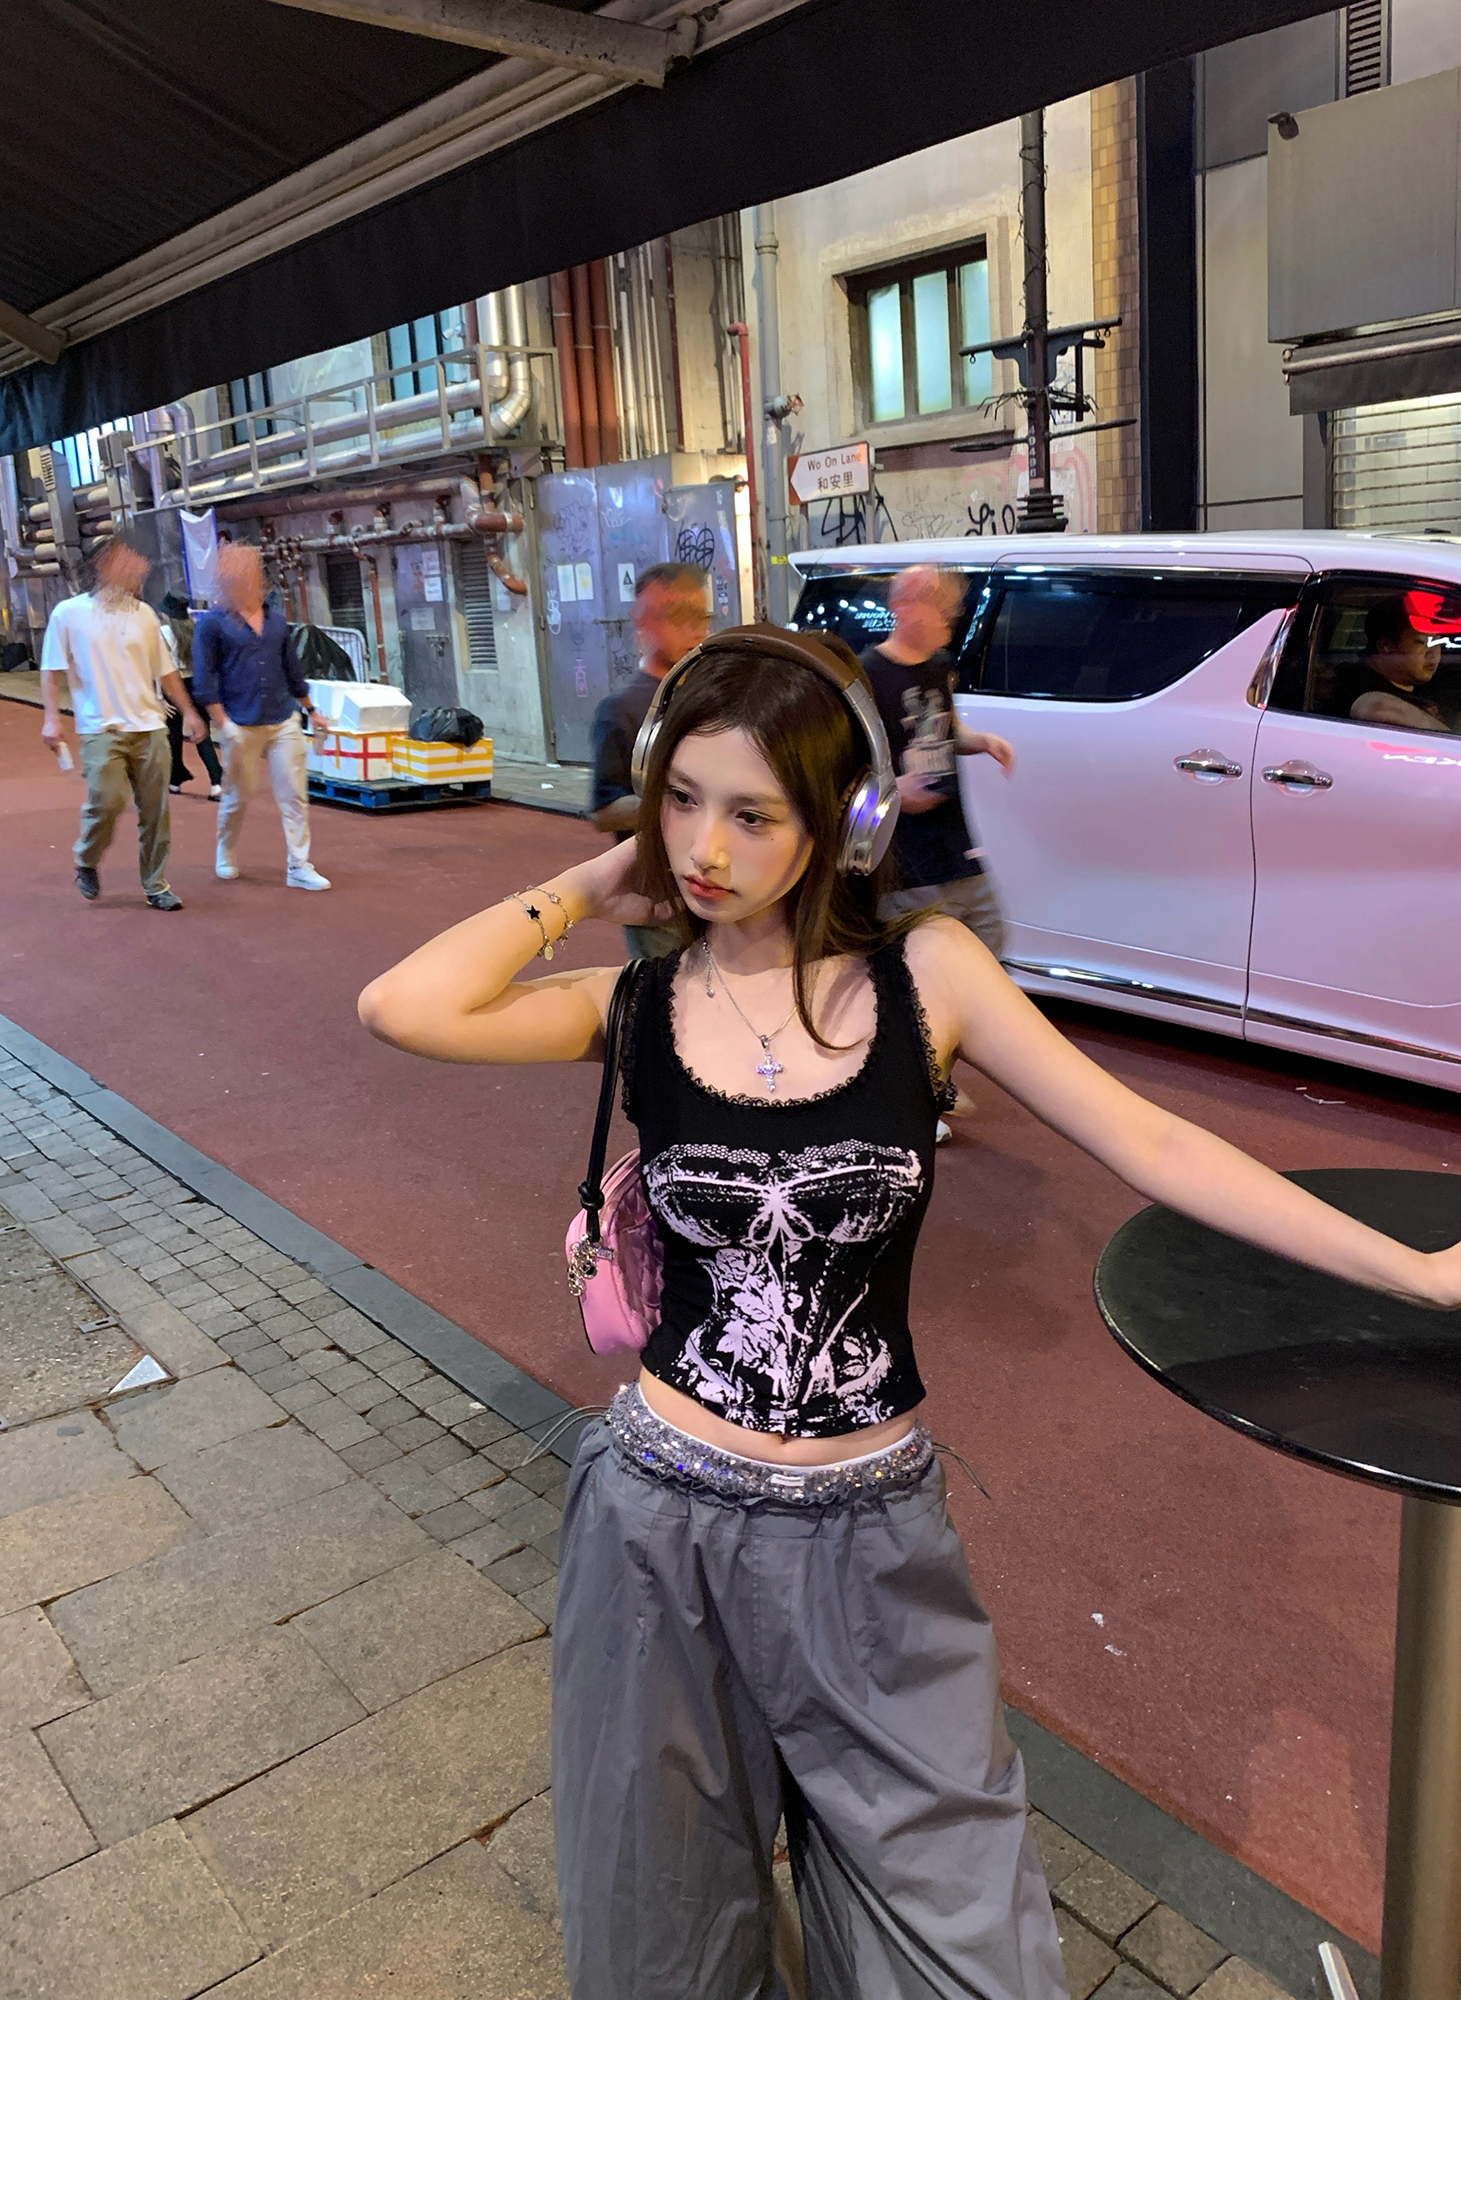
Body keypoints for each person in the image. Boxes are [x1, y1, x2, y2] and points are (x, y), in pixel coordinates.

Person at [356, 627, 1461, 2000]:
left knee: (966, 1958)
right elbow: (401, 1006)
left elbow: (1152, 1141)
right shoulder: (632, 1002)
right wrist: (587, 881)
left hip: (871, 1542)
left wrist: (1416, 1272)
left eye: (753, 814)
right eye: (681, 800)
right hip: (655, 1530)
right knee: (662, 1949)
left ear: (848, 819)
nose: (703, 847)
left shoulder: (927, 979)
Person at [861, 565, 1015, 1138]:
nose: (952, 625)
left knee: (983, 947)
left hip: (953, 845)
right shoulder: (866, 678)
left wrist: (980, 742)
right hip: (904, 861)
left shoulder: (937, 666)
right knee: (920, 983)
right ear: (908, 606)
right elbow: (844, 772)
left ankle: (926, 1078)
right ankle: (912, 1096)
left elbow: (943, 729)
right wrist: (892, 792)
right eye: (946, 613)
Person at [39, 527, 203, 910]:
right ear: (104, 565)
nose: (139, 568)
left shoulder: (144, 615)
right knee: (107, 801)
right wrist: (51, 718)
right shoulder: (69, 613)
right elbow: (51, 668)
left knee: (156, 811)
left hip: (150, 727)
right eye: (129, 561)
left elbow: (165, 672)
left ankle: (156, 885)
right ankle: (87, 857)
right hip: (101, 728)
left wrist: (190, 712)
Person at [588, 561, 710, 960]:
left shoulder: (713, 699)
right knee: (663, 993)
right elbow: (604, 811)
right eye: (679, 617)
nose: (695, 630)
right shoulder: (621, 710)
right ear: (645, 623)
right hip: (657, 905)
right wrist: (680, 802)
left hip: (719, 890)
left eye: (702, 617)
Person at [193, 542, 332, 890]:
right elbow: (205, 679)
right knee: (238, 796)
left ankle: (299, 865)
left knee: (294, 795)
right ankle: (226, 850)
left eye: (250, 571)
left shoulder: (277, 622)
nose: (245, 578)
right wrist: (223, 723)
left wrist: (312, 711)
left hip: (283, 718)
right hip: (239, 722)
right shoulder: (212, 625)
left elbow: (292, 670)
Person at [1338, 598, 1449, 729]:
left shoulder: (1425, 683)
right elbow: (1377, 709)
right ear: (1386, 647)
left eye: (1437, 642)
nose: (1433, 653)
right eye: (1421, 643)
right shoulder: (1353, 684)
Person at [159, 591, 222, 799]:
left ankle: (175, 780)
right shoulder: (195, 628)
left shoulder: (162, 633)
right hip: (196, 682)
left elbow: (160, 667)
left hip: (174, 684)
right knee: (203, 733)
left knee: (173, 733)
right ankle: (217, 782)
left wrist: (160, 696)